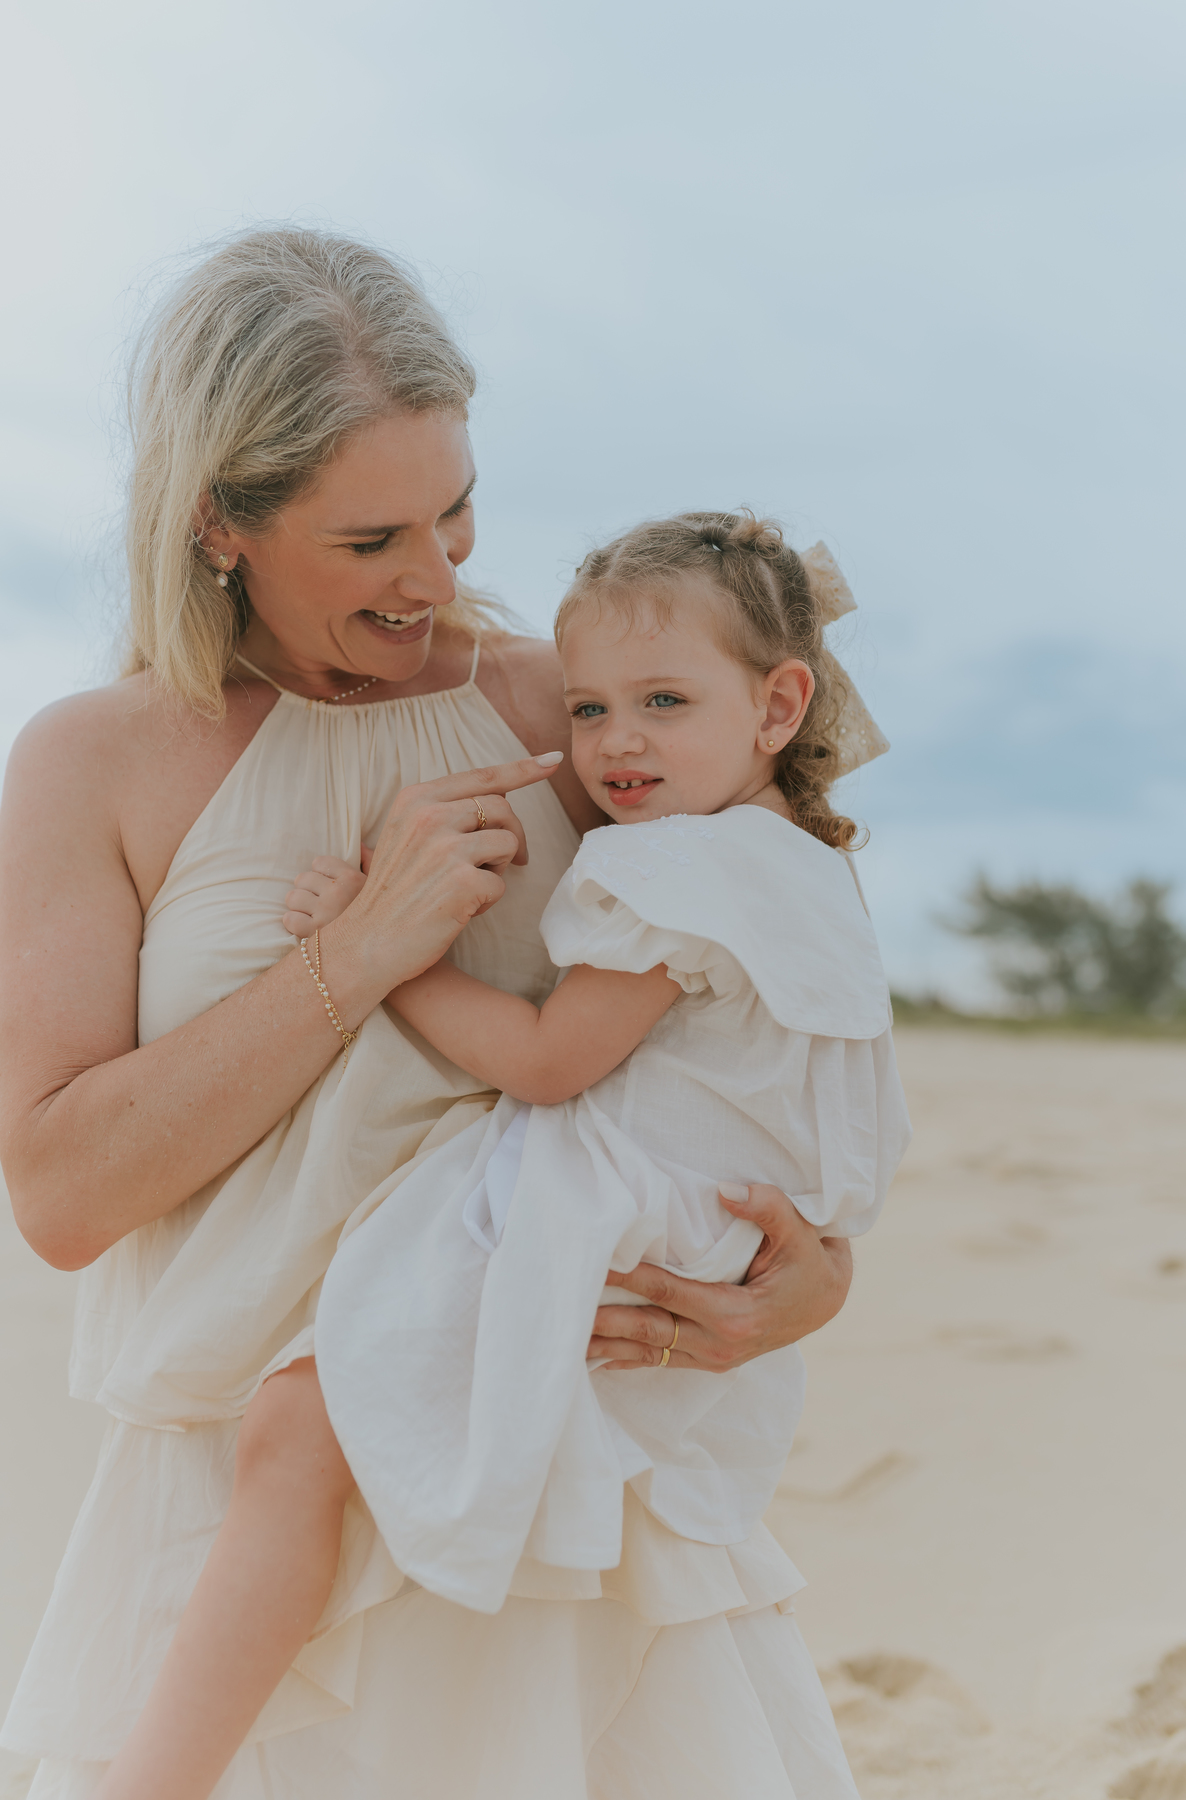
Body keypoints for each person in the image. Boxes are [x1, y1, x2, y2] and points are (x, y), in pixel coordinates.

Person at [0, 229, 859, 1799]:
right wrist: (365, 945)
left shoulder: (575, 718)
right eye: (371, 537)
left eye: (456, 511)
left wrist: (816, 1278)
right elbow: (60, 1195)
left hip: (544, 1487)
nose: (438, 575)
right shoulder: (91, 761)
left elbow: (758, 1022)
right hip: (233, 1518)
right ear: (218, 526)